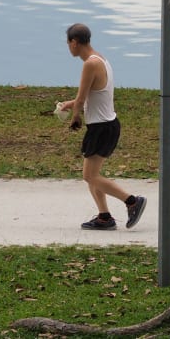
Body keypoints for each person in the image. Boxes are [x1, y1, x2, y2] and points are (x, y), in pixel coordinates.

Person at [59, 23, 144, 230]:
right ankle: (104, 217)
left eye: (68, 43)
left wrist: (75, 116)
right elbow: (90, 95)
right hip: (107, 125)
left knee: (89, 176)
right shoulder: (101, 59)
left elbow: (81, 100)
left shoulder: (89, 64)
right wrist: (68, 105)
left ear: (74, 42)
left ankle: (132, 201)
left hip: (101, 128)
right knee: (92, 175)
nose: (68, 47)